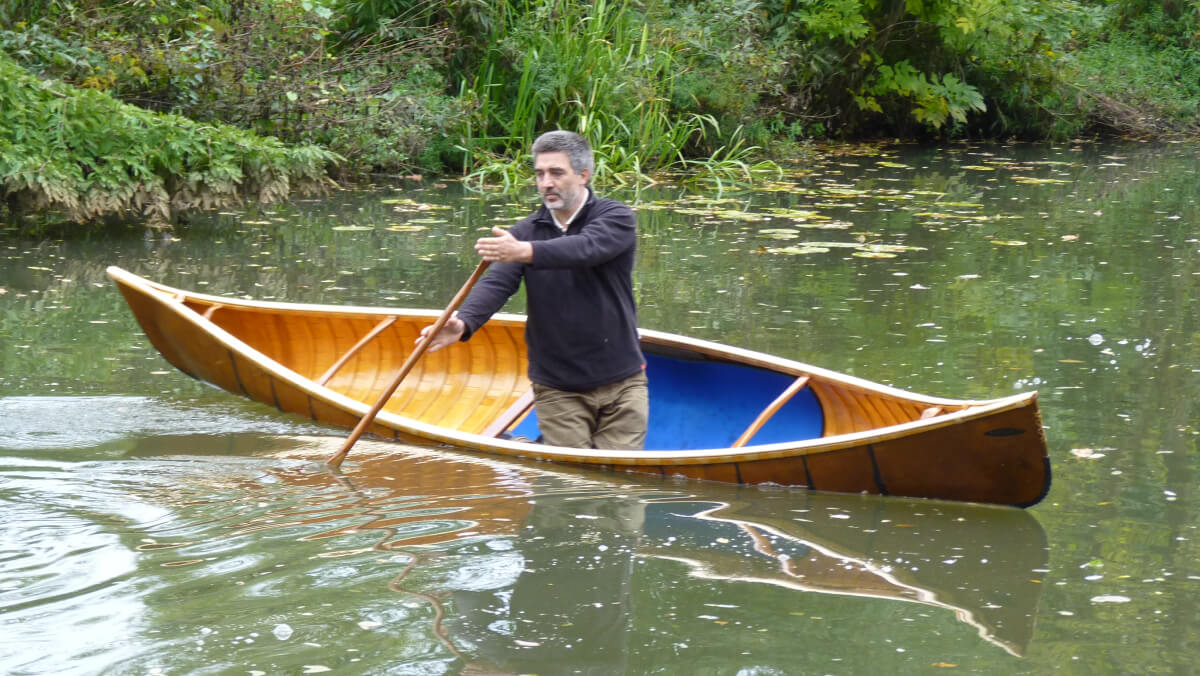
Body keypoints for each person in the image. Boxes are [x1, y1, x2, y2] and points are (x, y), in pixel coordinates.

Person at [419, 130, 648, 450]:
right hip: (559, 386)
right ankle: (536, 450)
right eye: (540, 174)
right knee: (572, 484)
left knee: (619, 485)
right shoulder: (526, 232)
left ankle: (532, 448)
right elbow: (497, 282)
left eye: (556, 173)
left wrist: (527, 252)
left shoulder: (614, 217)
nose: (546, 183)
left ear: (584, 175)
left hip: (624, 381)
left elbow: (587, 249)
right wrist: (465, 321)